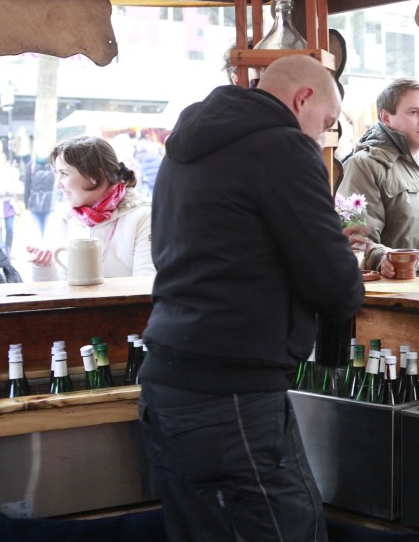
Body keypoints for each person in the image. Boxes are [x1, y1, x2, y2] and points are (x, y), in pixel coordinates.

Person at [138, 55, 363, 542]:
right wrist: (344, 266)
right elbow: (334, 283)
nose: (322, 137)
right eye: (327, 123)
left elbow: (204, 248)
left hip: (165, 384)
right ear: (302, 98)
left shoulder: (183, 148)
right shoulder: (283, 146)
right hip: (231, 398)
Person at [338, 78, 419, 279]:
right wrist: (379, 257)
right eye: (413, 112)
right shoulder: (365, 166)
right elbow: (352, 236)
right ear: (386, 118)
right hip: (402, 290)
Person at [25, 137, 154, 281]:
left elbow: (146, 282)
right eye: (57, 174)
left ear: (95, 176)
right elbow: (55, 289)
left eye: (64, 174)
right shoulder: (62, 217)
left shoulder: (144, 216)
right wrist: (44, 267)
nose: (57, 184)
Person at [25, 156, 55, 238]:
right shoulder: (31, 165)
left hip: (51, 204)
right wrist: (26, 204)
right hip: (35, 203)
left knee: (48, 230)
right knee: (40, 230)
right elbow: (27, 185)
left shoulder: (54, 165)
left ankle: (46, 242)